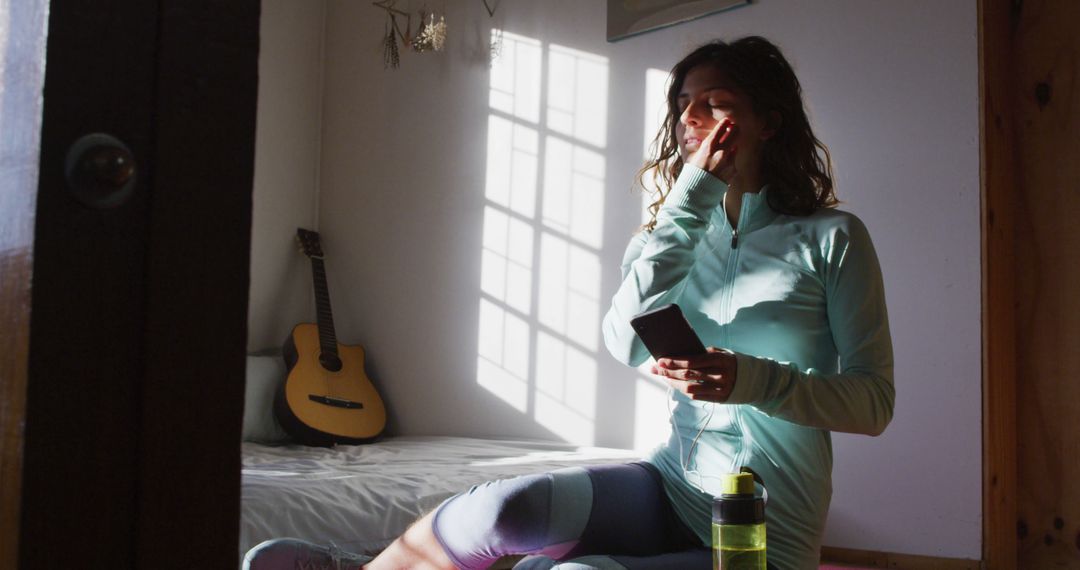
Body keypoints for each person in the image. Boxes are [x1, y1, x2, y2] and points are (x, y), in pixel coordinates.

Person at [244, 35, 894, 570]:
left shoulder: (832, 239)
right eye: (684, 104)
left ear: (769, 121)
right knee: (504, 510)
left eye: (716, 103)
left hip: (763, 528)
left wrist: (752, 380)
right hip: (672, 484)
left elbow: (873, 404)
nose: (692, 119)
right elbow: (625, 341)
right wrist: (687, 205)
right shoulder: (672, 229)